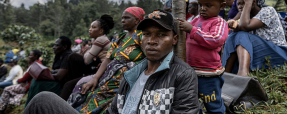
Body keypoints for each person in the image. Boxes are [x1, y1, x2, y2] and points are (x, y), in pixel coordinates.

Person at [23, 9, 199, 114]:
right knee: (43, 100)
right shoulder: (132, 73)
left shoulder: (182, 74)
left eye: (161, 35)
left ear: (174, 39)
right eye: (147, 34)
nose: (152, 40)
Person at [178, 0, 228, 114]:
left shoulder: (219, 22)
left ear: (221, 6)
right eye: (200, 4)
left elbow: (215, 39)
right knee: (191, 104)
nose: (203, 8)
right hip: (190, 72)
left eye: (208, 5)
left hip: (209, 75)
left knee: (212, 104)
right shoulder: (195, 20)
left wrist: (192, 30)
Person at [223, 0, 287, 76]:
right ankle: (225, 74)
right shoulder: (247, 16)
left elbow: (245, 26)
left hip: (278, 53)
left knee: (241, 35)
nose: (240, 7)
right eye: (238, 4)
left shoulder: (268, 11)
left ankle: (243, 73)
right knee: (233, 35)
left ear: (254, 2)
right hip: (261, 52)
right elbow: (238, 29)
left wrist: (248, 4)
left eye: (243, 3)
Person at [60, 14, 114, 100]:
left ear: (100, 31)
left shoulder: (101, 39)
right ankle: (73, 80)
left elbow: (86, 60)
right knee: (73, 57)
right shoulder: (97, 39)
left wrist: (88, 51)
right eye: (90, 27)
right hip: (96, 67)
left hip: (100, 70)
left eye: (93, 27)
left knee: (73, 57)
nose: (90, 29)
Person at [25, 36, 73, 106]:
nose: (53, 47)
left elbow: (59, 76)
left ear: (64, 47)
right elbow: (53, 71)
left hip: (62, 85)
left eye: (56, 45)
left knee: (37, 83)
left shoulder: (68, 56)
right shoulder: (58, 55)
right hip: (56, 81)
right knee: (35, 81)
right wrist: (54, 72)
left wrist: (49, 73)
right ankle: (31, 106)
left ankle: (32, 106)